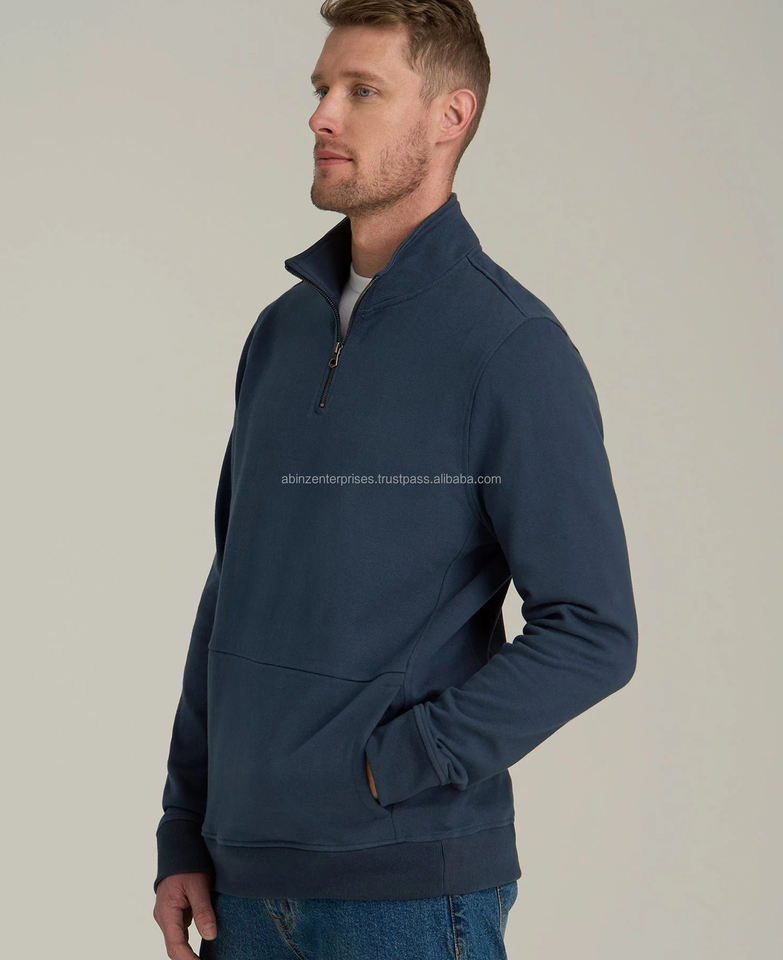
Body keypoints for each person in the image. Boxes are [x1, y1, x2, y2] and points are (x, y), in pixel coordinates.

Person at [152, 1, 638, 958]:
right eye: (321, 88)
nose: (321, 115)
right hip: (240, 887)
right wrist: (183, 824)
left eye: (362, 91)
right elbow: (231, 593)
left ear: (450, 116)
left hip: (404, 894)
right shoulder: (281, 334)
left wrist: (391, 766)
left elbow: (593, 630)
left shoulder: (508, 348)